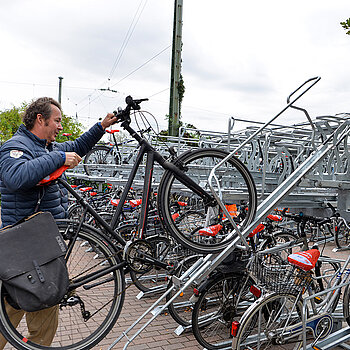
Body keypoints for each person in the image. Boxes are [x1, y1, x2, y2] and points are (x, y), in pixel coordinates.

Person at [0, 97, 117, 348]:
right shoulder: (16, 147)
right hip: (23, 249)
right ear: (40, 119)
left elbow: (77, 145)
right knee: (11, 308)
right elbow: (16, 177)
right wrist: (59, 158)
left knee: (43, 309)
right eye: (57, 121)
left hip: (43, 249)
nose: (60, 127)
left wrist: (101, 126)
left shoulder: (46, 147)